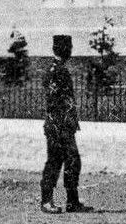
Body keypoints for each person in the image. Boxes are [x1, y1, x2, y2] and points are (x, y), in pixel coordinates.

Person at [40, 34, 91, 214]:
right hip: (57, 126)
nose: (70, 51)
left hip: (65, 126)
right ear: (59, 49)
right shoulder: (55, 71)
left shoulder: (60, 69)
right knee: (55, 162)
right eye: (67, 48)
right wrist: (62, 125)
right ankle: (46, 201)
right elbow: (55, 102)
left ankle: (72, 202)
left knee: (73, 161)